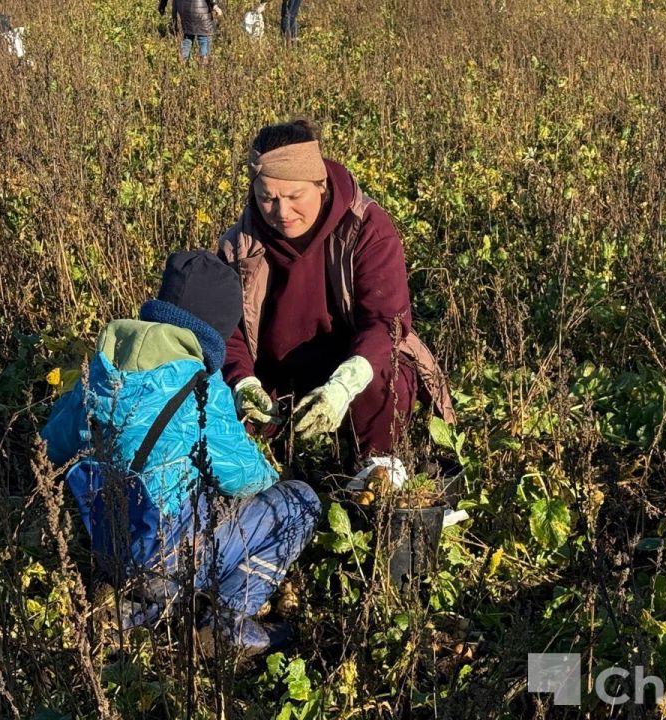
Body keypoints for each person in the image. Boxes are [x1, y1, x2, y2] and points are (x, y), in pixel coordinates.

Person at [40, 250, 320, 656]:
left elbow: (50, 445)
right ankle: (229, 624)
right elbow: (244, 477)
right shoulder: (201, 389)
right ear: (215, 332)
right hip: (172, 552)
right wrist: (268, 474)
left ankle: (134, 611)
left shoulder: (98, 374)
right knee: (298, 503)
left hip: (113, 548)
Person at [216, 119, 455, 479]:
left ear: (320, 184)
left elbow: (385, 321)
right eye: (267, 198)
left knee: (384, 378)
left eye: (295, 196)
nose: (282, 212)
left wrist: (343, 385)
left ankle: (376, 473)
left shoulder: (366, 227)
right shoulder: (239, 246)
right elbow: (228, 330)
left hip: (353, 366)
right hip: (278, 378)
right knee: (222, 417)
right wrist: (244, 383)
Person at [172, 0, 223, 64]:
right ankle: (203, 67)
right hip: (201, 12)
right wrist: (215, 6)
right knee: (204, 37)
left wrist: (162, 6)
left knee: (188, 37)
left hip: (183, 10)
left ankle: (181, 64)